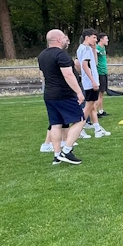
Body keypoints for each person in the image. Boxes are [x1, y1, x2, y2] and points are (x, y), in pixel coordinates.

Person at [37, 29, 86, 165]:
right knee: (80, 120)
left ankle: (57, 155)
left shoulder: (42, 55)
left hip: (49, 94)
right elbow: (68, 75)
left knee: (56, 124)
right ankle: (67, 150)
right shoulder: (61, 55)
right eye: (64, 37)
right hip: (64, 94)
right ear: (58, 40)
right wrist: (79, 92)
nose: (66, 40)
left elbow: (42, 76)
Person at [77, 29, 110, 138]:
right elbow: (85, 66)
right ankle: (79, 129)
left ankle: (97, 129)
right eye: (94, 38)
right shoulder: (85, 48)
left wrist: (94, 50)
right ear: (87, 37)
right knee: (88, 107)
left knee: (92, 107)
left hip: (89, 81)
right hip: (90, 82)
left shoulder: (85, 49)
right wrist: (93, 81)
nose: (96, 40)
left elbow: (94, 63)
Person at [95, 32, 110, 117]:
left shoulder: (103, 47)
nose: (107, 40)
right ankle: (95, 111)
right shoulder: (97, 48)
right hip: (99, 72)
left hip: (104, 72)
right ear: (101, 39)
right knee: (99, 94)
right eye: (106, 38)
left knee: (102, 93)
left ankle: (101, 111)